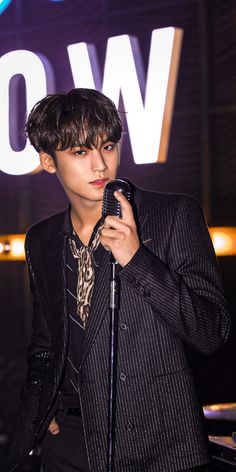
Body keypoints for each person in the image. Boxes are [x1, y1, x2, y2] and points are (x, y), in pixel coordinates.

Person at [7, 88, 230, 472]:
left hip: (160, 447)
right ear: (48, 161)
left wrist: (137, 258)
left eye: (107, 146)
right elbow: (46, 343)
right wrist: (41, 408)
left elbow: (211, 332)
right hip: (70, 442)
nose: (100, 165)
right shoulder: (41, 238)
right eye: (80, 152)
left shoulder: (173, 215)